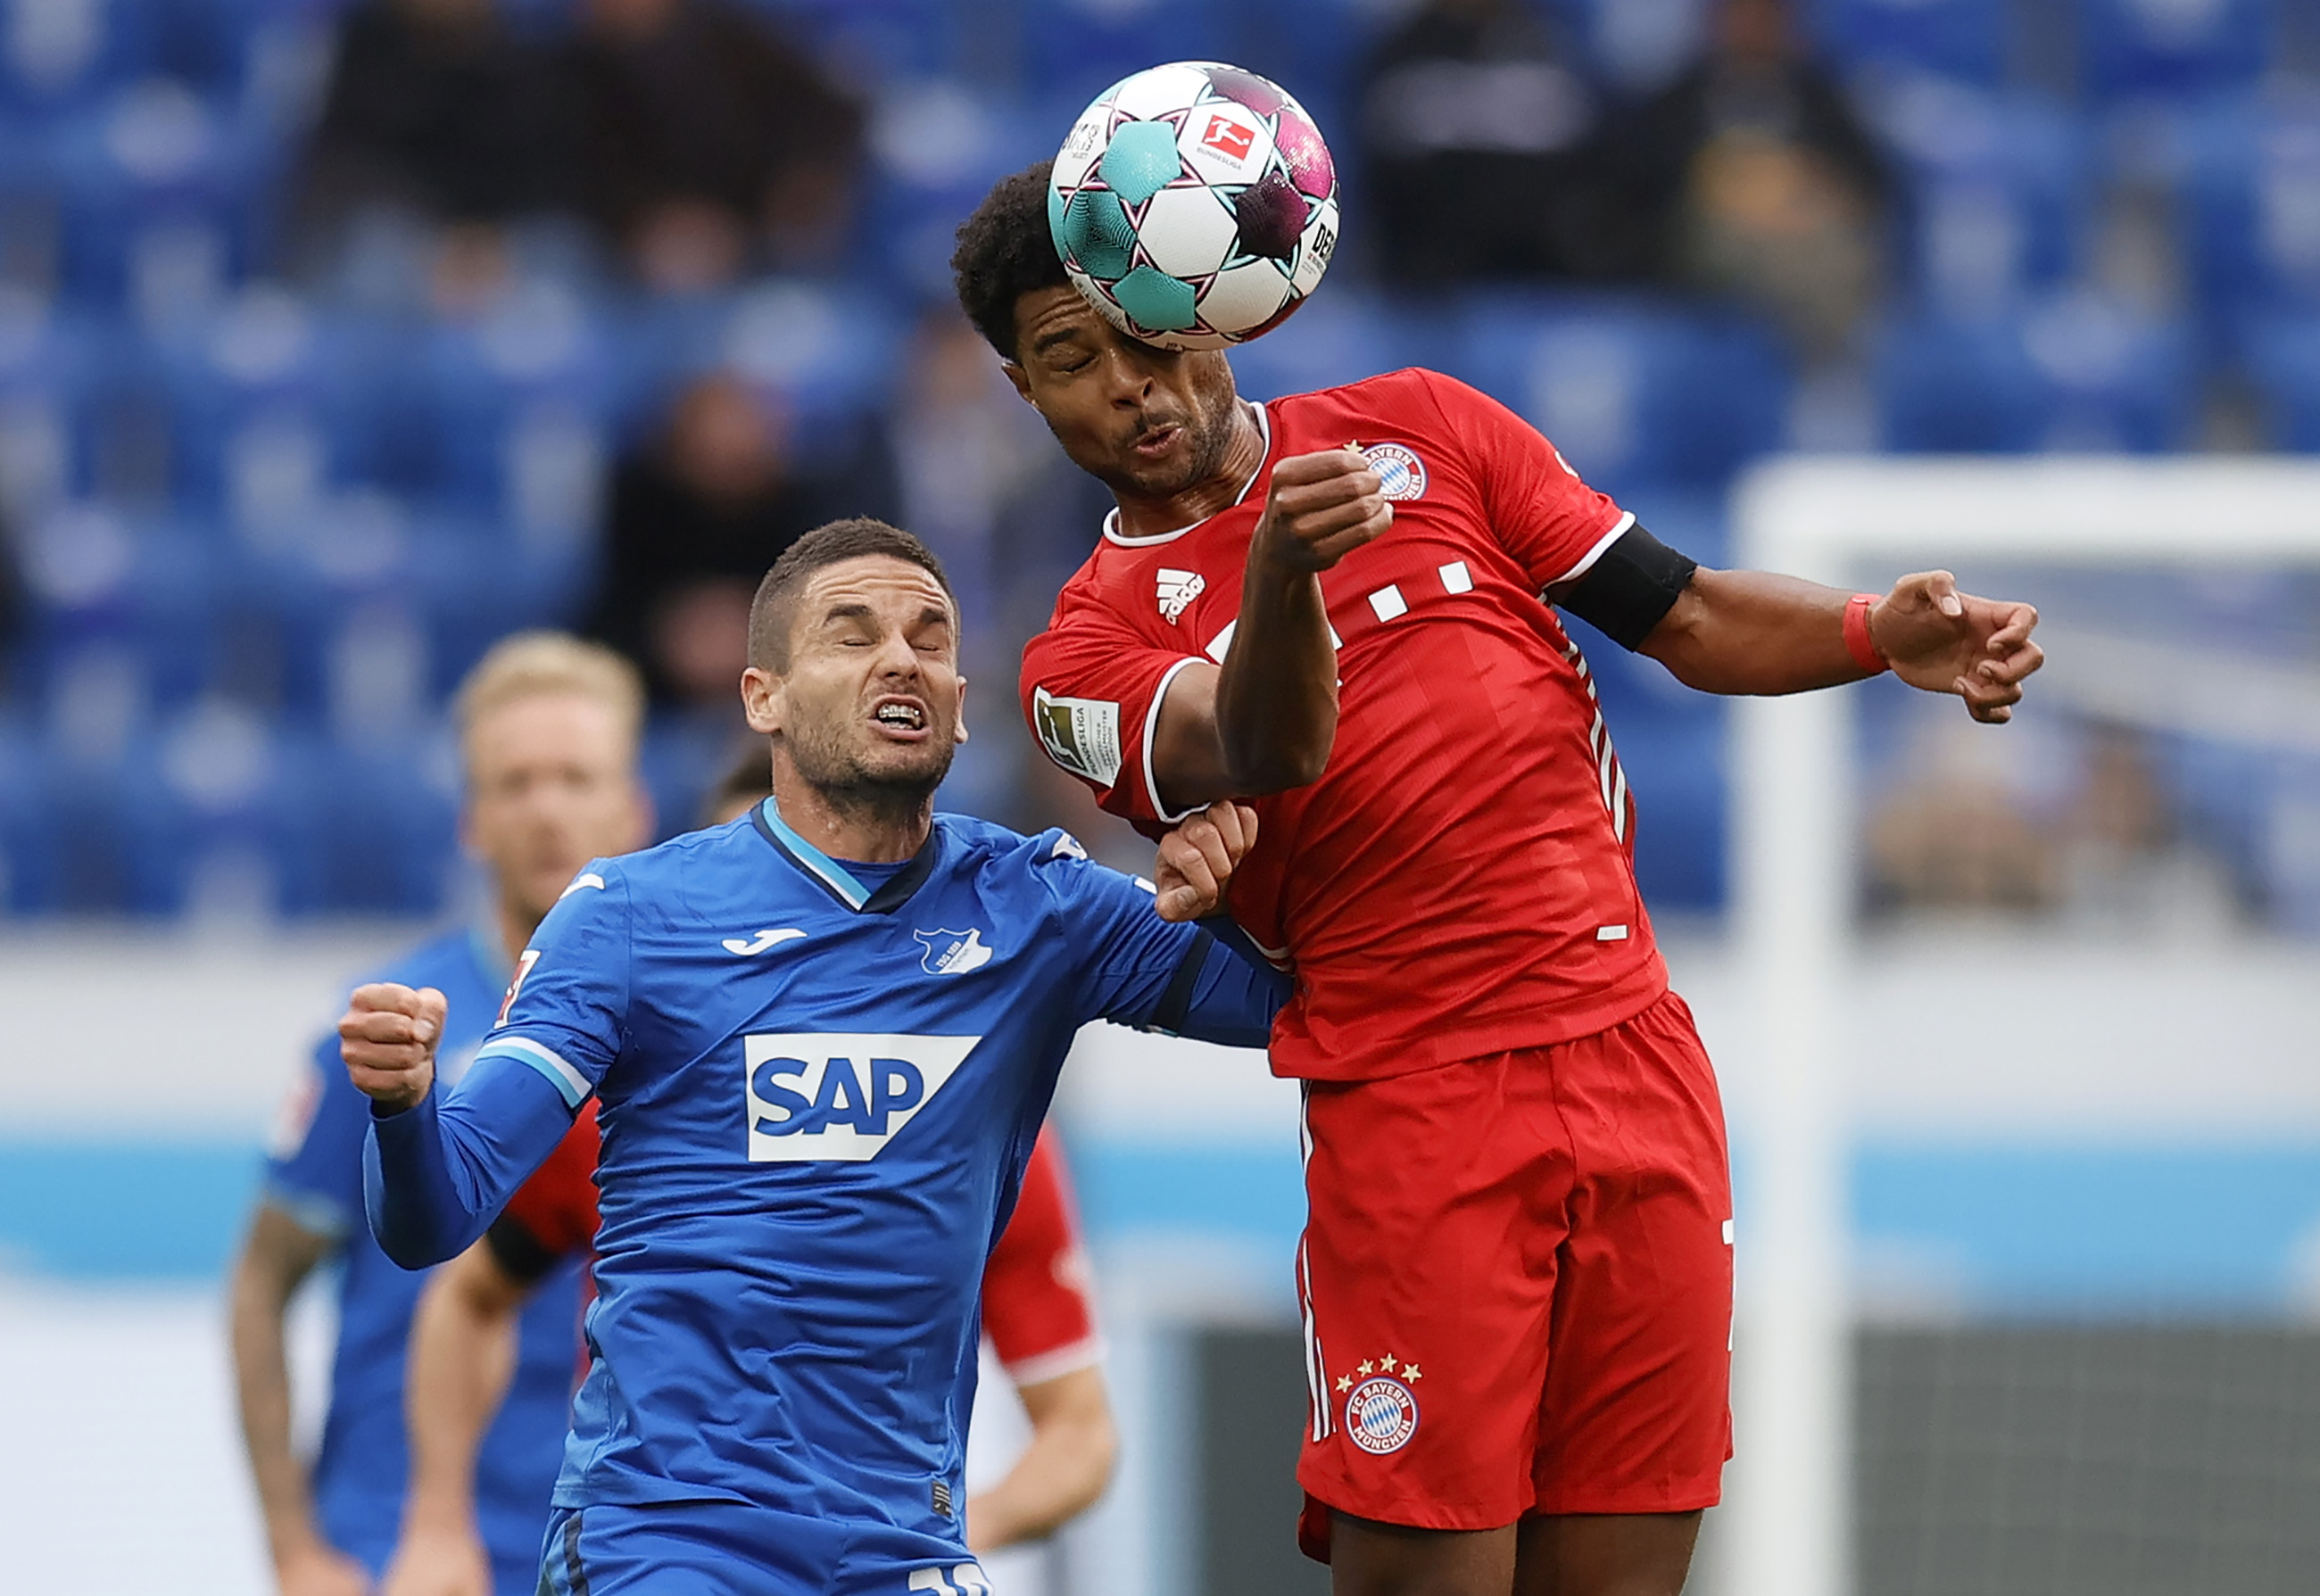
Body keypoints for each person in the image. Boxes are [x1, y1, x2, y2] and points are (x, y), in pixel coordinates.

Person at [949, 165, 2045, 1596]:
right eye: (1069, 361)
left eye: (1145, 332)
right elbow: (1263, 743)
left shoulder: (1428, 427)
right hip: (1417, 1100)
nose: (1130, 386)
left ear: (1213, 306)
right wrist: (1280, 571)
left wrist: (1867, 631)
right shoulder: (1075, 660)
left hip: (1636, 1057)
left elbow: (1691, 612)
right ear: (1025, 395)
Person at [335, 517, 1285, 1592]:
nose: (901, 657)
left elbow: (1305, 997)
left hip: (904, 1549)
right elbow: (434, 1217)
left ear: (962, 706)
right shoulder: (628, 915)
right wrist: (405, 1105)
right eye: (852, 633)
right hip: (671, 1535)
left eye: (931, 637)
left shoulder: (1041, 909)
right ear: (762, 698)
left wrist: (1252, 884)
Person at [378, 756, 1118, 1596]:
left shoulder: (977, 1135)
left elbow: (1080, 1433)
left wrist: (915, 1538)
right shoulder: (610, 1108)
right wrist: (436, 1519)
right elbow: (466, 1292)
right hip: (667, 1536)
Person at [228, 633, 652, 1596]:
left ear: (632, 808)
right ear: (472, 820)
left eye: (575, 778)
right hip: (399, 1551)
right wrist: (295, 1547)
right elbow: (260, 1283)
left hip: (608, 1547)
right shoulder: (387, 1024)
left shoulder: (677, 1037)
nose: (546, 808)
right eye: (515, 782)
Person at [584, 371, 893, 712]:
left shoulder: (813, 512)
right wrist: (666, 638)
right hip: (657, 698)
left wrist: (761, 634)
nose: (727, 452)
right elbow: (609, 615)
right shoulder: (639, 507)